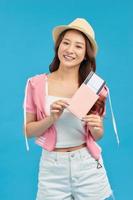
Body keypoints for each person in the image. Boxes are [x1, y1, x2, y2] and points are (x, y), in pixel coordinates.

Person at [23, 18, 114, 200]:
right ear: (58, 47)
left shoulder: (94, 86)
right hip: (52, 169)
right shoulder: (37, 84)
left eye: (78, 46)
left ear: (86, 54)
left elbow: (96, 136)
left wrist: (98, 128)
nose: (70, 50)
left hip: (87, 164)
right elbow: (28, 131)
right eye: (66, 43)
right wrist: (51, 118)